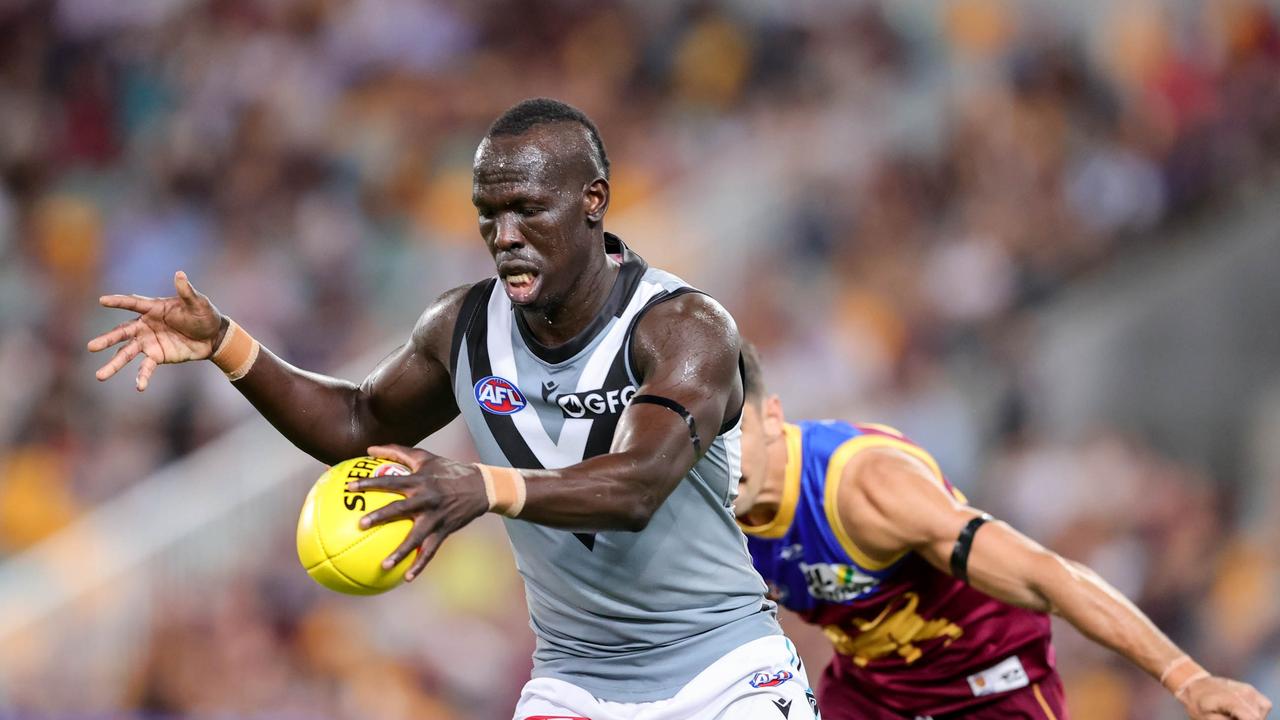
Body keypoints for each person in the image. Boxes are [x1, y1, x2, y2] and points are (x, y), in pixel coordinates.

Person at [88, 99, 816, 720]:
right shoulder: (461, 327)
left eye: (527, 209)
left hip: (724, 674)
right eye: (488, 214)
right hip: (576, 686)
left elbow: (637, 485)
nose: (504, 237)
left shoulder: (684, 327)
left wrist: (483, 486)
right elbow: (356, 426)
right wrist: (226, 343)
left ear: (593, 200)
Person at [733, 344, 1272, 720]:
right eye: (709, 447)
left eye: (737, 435)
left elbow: (1044, 577)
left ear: (774, 416)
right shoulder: (704, 510)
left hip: (988, 678)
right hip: (877, 691)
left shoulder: (865, 489)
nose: (726, 462)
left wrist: (1186, 678)